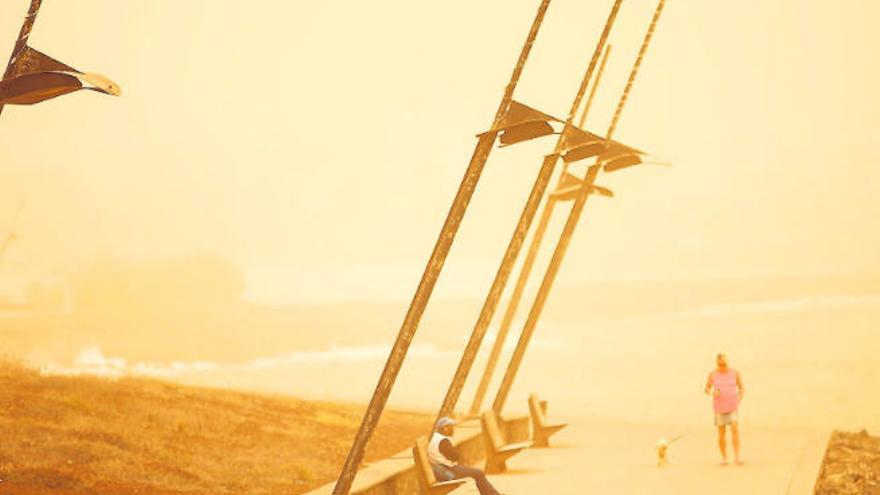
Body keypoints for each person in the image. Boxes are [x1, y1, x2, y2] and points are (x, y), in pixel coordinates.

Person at [428, 417, 505, 495]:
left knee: (475, 472)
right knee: (479, 473)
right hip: (450, 470)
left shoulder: (434, 438)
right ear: (445, 428)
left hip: (442, 469)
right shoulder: (443, 441)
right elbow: (455, 456)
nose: (453, 429)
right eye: (451, 427)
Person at [704, 353, 744, 466]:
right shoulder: (712, 374)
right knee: (721, 433)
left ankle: (737, 457)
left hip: (732, 406)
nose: (722, 366)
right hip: (719, 408)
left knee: (735, 429)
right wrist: (713, 393)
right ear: (717, 364)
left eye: (724, 364)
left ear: (728, 362)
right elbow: (706, 389)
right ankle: (724, 458)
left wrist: (740, 396)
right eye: (720, 364)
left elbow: (741, 387)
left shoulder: (735, 373)